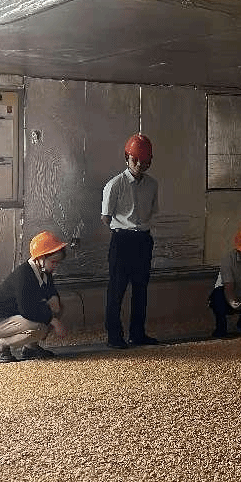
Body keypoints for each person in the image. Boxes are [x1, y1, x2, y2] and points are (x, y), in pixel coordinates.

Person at [101, 133, 159, 349]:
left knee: (141, 290)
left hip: (143, 239)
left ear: (150, 161)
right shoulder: (115, 184)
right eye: (135, 159)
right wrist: (124, 227)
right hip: (122, 239)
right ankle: (114, 336)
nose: (140, 164)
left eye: (145, 160)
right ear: (127, 157)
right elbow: (106, 217)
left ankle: (138, 334)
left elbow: (153, 211)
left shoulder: (152, 185)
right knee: (116, 290)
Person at [0, 231, 69, 363]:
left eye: (58, 263)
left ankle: (30, 348)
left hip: (18, 314)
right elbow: (27, 310)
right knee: (39, 327)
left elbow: (50, 294)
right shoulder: (24, 275)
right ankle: (1, 345)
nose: (56, 266)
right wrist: (53, 321)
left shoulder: (45, 272)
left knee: (57, 308)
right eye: (53, 262)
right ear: (40, 258)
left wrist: (55, 303)